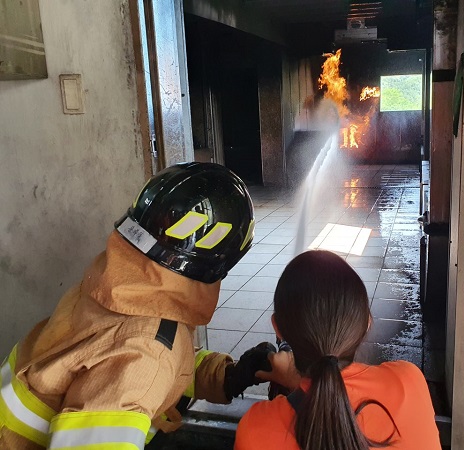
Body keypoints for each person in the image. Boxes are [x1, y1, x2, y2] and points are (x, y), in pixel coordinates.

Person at [0, 162, 274, 449]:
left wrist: (226, 377)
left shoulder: (117, 287)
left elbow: (149, 357)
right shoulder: (146, 349)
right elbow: (145, 357)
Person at [235, 250, 441, 450]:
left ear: (277, 328)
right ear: (367, 322)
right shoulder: (409, 382)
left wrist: (296, 383)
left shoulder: (256, 428)